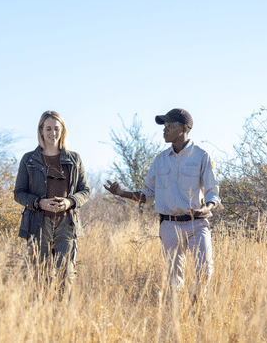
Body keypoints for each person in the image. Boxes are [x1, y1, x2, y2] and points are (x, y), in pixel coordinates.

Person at [104, 108, 220, 296]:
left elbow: (212, 192)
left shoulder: (202, 156)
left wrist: (206, 208)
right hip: (169, 225)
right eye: (163, 126)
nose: (164, 130)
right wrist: (121, 193)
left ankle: (196, 300)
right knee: (174, 279)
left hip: (197, 223)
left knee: (205, 270)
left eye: (169, 126)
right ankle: (177, 316)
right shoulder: (160, 160)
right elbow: (148, 194)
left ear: (184, 128)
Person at [14, 111, 90, 293]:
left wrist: (70, 202)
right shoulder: (29, 159)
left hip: (66, 223)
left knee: (66, 275)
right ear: (41, 130)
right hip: (37, 224)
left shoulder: (74, 159)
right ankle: (39, 315)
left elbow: (85, 191)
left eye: (57, 128)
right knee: (38, 275)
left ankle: (62, 316)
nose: (53, 133)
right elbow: (19, 193)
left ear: (62, 130)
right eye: (48, 128)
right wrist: (39, 203)